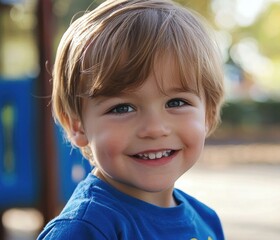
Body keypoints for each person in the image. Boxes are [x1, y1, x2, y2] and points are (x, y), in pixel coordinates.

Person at [37, 0, 225, 239]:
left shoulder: (206, 220)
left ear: (207, 114)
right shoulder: (84, 230)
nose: (154, 129)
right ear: (77, 125)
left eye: (176, 103)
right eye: (122, 108)